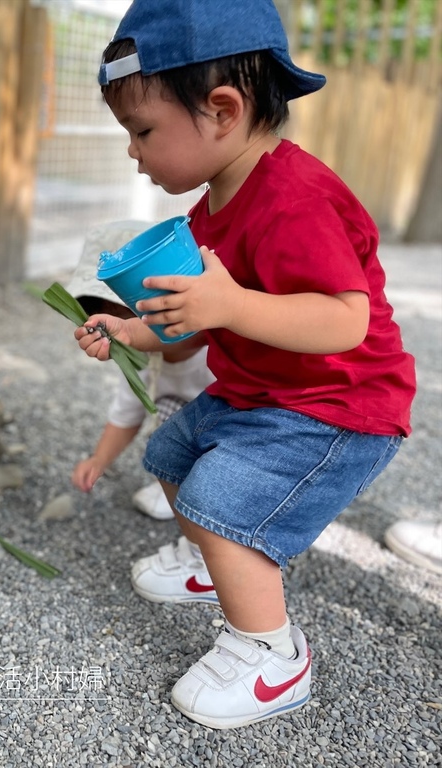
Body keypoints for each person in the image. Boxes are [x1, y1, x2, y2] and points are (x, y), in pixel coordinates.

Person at [74, 0, 417, 730]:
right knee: (172, 452)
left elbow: (345, 320)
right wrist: (128, 330)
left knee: (224, 505)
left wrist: (227, 306)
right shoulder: (204, 215)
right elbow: (187, 335)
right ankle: (213, 570)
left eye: (141, 131)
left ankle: (272, 655)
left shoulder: (295, 199)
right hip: (264, 392)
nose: (134, 152)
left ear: (222, 110)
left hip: (339, 406)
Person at [65, 225, 214, 521]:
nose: (121, 333)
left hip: (230, 452)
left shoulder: (217, 357)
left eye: (128, 318)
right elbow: (126, 415)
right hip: (185, 449)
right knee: (169, 431)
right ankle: (180, 486)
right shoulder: (143, 361)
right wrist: (99, 460)